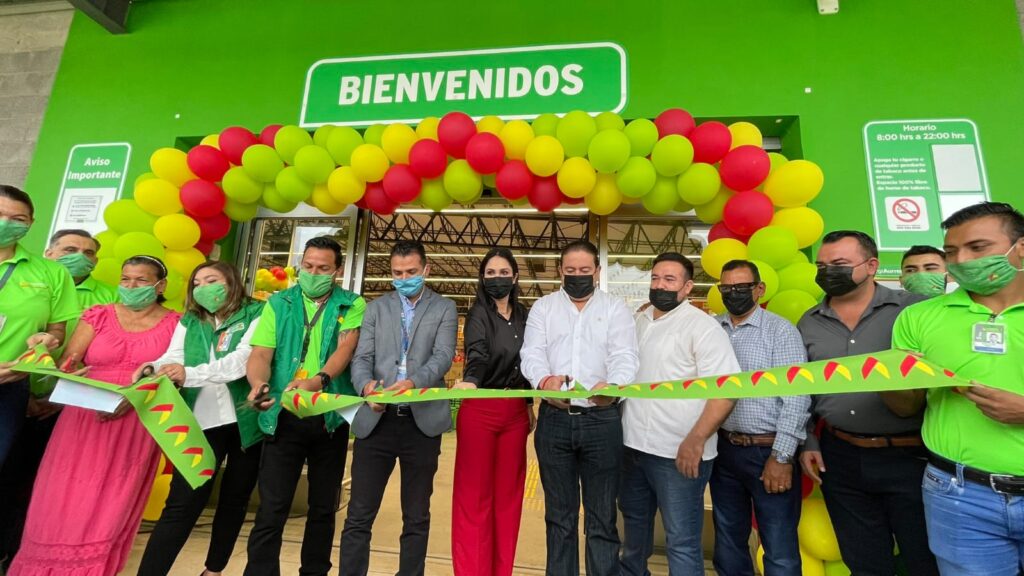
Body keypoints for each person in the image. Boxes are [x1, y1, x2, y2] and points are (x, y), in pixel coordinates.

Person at [9, 255, 180, 576]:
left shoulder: (178, 323)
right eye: (125, 279)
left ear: (161, 286)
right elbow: (70, 361)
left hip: (136, 417)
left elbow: (174, 372)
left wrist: (134, 396)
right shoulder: (98, 315)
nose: (131, 286)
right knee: (63, 492)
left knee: (114, 496)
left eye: (141, 280)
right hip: (83, 414)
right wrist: (52, 360)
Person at [884, 202, 1024, 575]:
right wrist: (886, 378)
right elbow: (904, 405)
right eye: (951, 252)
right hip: (958, 494)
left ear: (1020, 248)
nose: (962, 260)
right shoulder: (918, 318)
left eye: (978, 248)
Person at [796, 231, 937, 576]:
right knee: (864, 561)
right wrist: (810, 441)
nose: (828, 271)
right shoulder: (809, 321)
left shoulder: (914, 310)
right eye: (822, 265)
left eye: (840, 264)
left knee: (925, 559)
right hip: (840, 458)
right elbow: (805, 389)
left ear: (872, 265)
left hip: (911, 456)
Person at [242, 236, 365, 576]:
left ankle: (314, 571)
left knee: (323, 507)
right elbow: (261, 354)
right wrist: (258, 383)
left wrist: (319, 381)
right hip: (283, 415)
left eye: (323, 268)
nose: (313, 273)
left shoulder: (351, 304)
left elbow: (345, 349)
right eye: (308, 266)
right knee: (272, 508)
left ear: (336, 271)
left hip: (328, 419)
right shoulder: (279, 303)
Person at [136, 261, 265, 576]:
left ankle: (214, 569)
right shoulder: (191, 320)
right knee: (183, 501)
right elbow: (174, 356)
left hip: (246, 418)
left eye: (212, 280)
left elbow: (243, 360)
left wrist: (188, 374)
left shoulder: (258, 312)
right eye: (197, 282)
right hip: (202, 419)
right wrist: (153, 367)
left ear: (231, 281)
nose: (203, 287)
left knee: (235, 499)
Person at [519, 240, 639, 576]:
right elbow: (532, 353)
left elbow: (625, 355)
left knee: (602, 519)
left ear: (597, 272)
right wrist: (543, 380)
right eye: (570, 271)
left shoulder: (616, 309)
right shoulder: (544, 308)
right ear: (560, 270)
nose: (577, 276)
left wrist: (613, 385)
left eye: (584, 271)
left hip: (602, 422)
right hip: (555, 421)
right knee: (560, 518)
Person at [340, 240, 457, 576]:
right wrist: (366, 387)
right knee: (360, 512)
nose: (404, 278)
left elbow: (443, 357)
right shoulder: (376, 309)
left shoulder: (444, 308)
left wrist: (413, 383)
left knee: (417, 514)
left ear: (426, 270)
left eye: (411, 272)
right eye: (397, 273)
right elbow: (362, 358)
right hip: (377, 419)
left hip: (420, 423)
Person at [1, 229, 117, 568]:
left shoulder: (109, 298)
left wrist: (57, 398)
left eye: (89, 252)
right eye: (70, 248)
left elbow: (104, 358)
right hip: (13, 393)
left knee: (39, 488)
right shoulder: (29, 281)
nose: (80, 256)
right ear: (49, 252)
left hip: (62, 407)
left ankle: (21, 555)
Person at [619, 252, 739, 576]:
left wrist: (696, 439)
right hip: (633, 449)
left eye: (669, 280)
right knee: (633, 534)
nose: (660, 285)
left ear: (687, 287)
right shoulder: (639, 320)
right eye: (655, 278)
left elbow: (726, 391)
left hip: (679, 454)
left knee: (682, 541)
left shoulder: (702, 328)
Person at [710, 260, 809, 576]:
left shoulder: (780, 331)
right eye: (727, 288)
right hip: (724, 450)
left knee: (778, 547)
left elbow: (797, 396)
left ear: (759, 289)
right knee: (728, 541)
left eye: (741, 287)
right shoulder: (713, 328)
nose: (733, 293)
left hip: (767, 451)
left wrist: (782, 456)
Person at [450, 248, 535, 576]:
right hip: (480, 410)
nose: (496, 279)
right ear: (482, 279)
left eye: (503, 273)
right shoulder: (478, 315)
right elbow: (478, 353)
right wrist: (471, 380)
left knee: (508, 502)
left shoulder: (526, 315)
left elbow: (529, 362)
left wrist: (528, 404)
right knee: (475, 502)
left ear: (515, 277)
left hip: (514, 413)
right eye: (490, 274)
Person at [0, 187, 79, 471]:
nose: (6, 223)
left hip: (10, 385)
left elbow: (57, 330)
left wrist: (49, 339)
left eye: (18, 219)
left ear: (31, 223)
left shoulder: (51, 273)